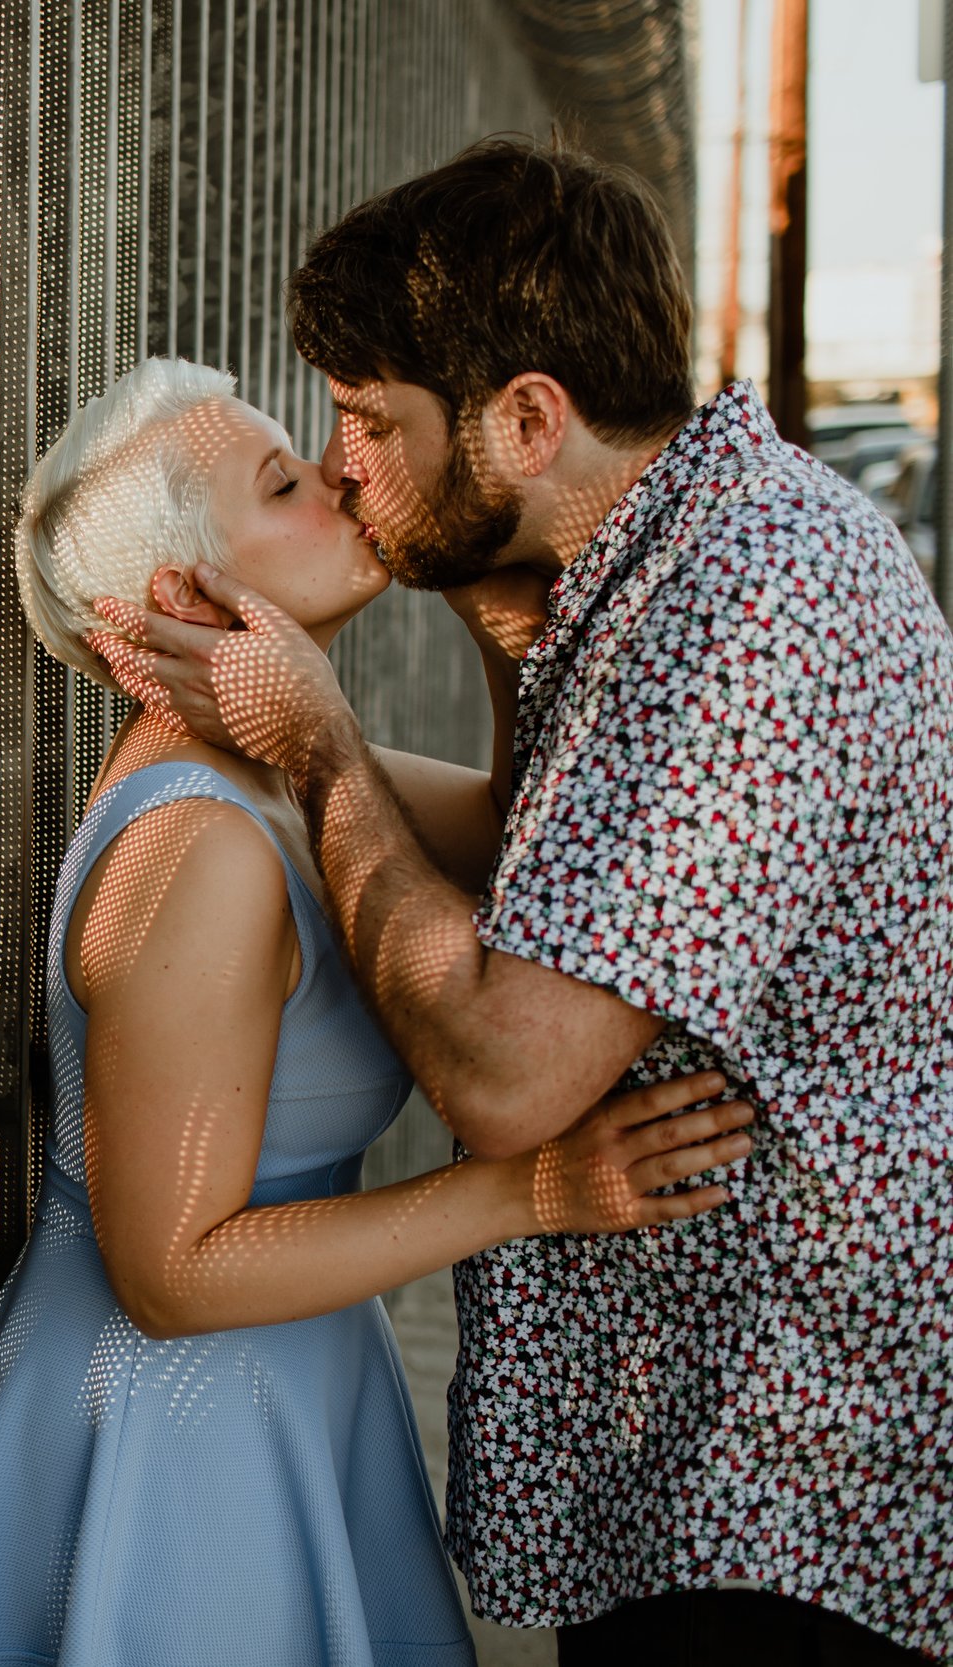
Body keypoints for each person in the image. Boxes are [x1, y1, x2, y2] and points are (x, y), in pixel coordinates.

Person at [92, 140, 953, 1664]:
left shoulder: (745, 617)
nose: (344, 463)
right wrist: (396, 641)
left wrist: (321, 744)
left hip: (779, 1469)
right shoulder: (664, 554)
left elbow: (508, 1074)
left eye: (371, 422)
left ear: (530, 419)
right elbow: (535, 855)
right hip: (699, 1433)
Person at [0, 354, 755, 1667]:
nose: (339, 480)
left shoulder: (263, 771)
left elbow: (503, 831)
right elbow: (172, 1276)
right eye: (285, 483)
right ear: (185, 598)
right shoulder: (195, 848)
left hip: (288, 1368)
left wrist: (483, 579)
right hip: (186, 1422)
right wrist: (534, 1191)